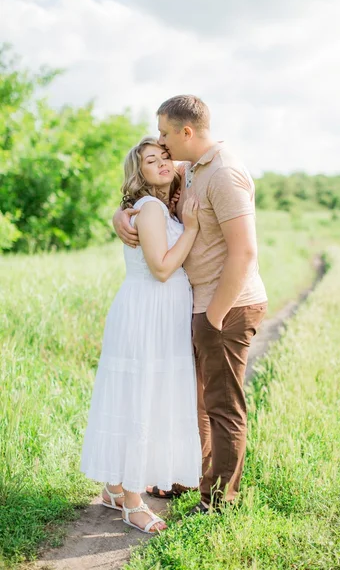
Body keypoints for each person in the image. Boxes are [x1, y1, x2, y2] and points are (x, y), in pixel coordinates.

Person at [113, 95, 267, 514]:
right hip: (197, 305)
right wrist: (120, 214)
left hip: (227, 307)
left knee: (221, 405)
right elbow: (143, 183)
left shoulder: (225, 174)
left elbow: (245, 253)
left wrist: (214, 316)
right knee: (194, 401)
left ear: (185, 132)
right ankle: (191, 480)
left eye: (165, 133)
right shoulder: (193, 168)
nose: (162, 144)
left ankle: (219, 502)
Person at [81, 136, 202, 534]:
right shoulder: (150, 208)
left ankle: (114, 488)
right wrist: (192, 229)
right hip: (148, 314)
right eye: (152, 160)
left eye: (166, 156)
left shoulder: (153, 205)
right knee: (142, 400)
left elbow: (190, 163)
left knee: (139, 395)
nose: (164, 163)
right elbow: (162, 269)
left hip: (153, 313)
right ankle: (133, 502)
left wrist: (124, 209)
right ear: (140, 173)